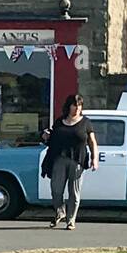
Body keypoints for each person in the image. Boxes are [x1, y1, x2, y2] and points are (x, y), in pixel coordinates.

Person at [41, 93, 98, 230]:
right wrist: (46, 135)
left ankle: (71, 220)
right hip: (60, 158)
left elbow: (92, 141)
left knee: (74, 192)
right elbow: (51, 138)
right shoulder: (60, 121)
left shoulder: (86, 122)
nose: (77, 108)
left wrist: (94, 159)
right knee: (56, 189)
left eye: (79, 105)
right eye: (75, 105)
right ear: (69, 106)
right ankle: (60, 211)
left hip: (77, 160)